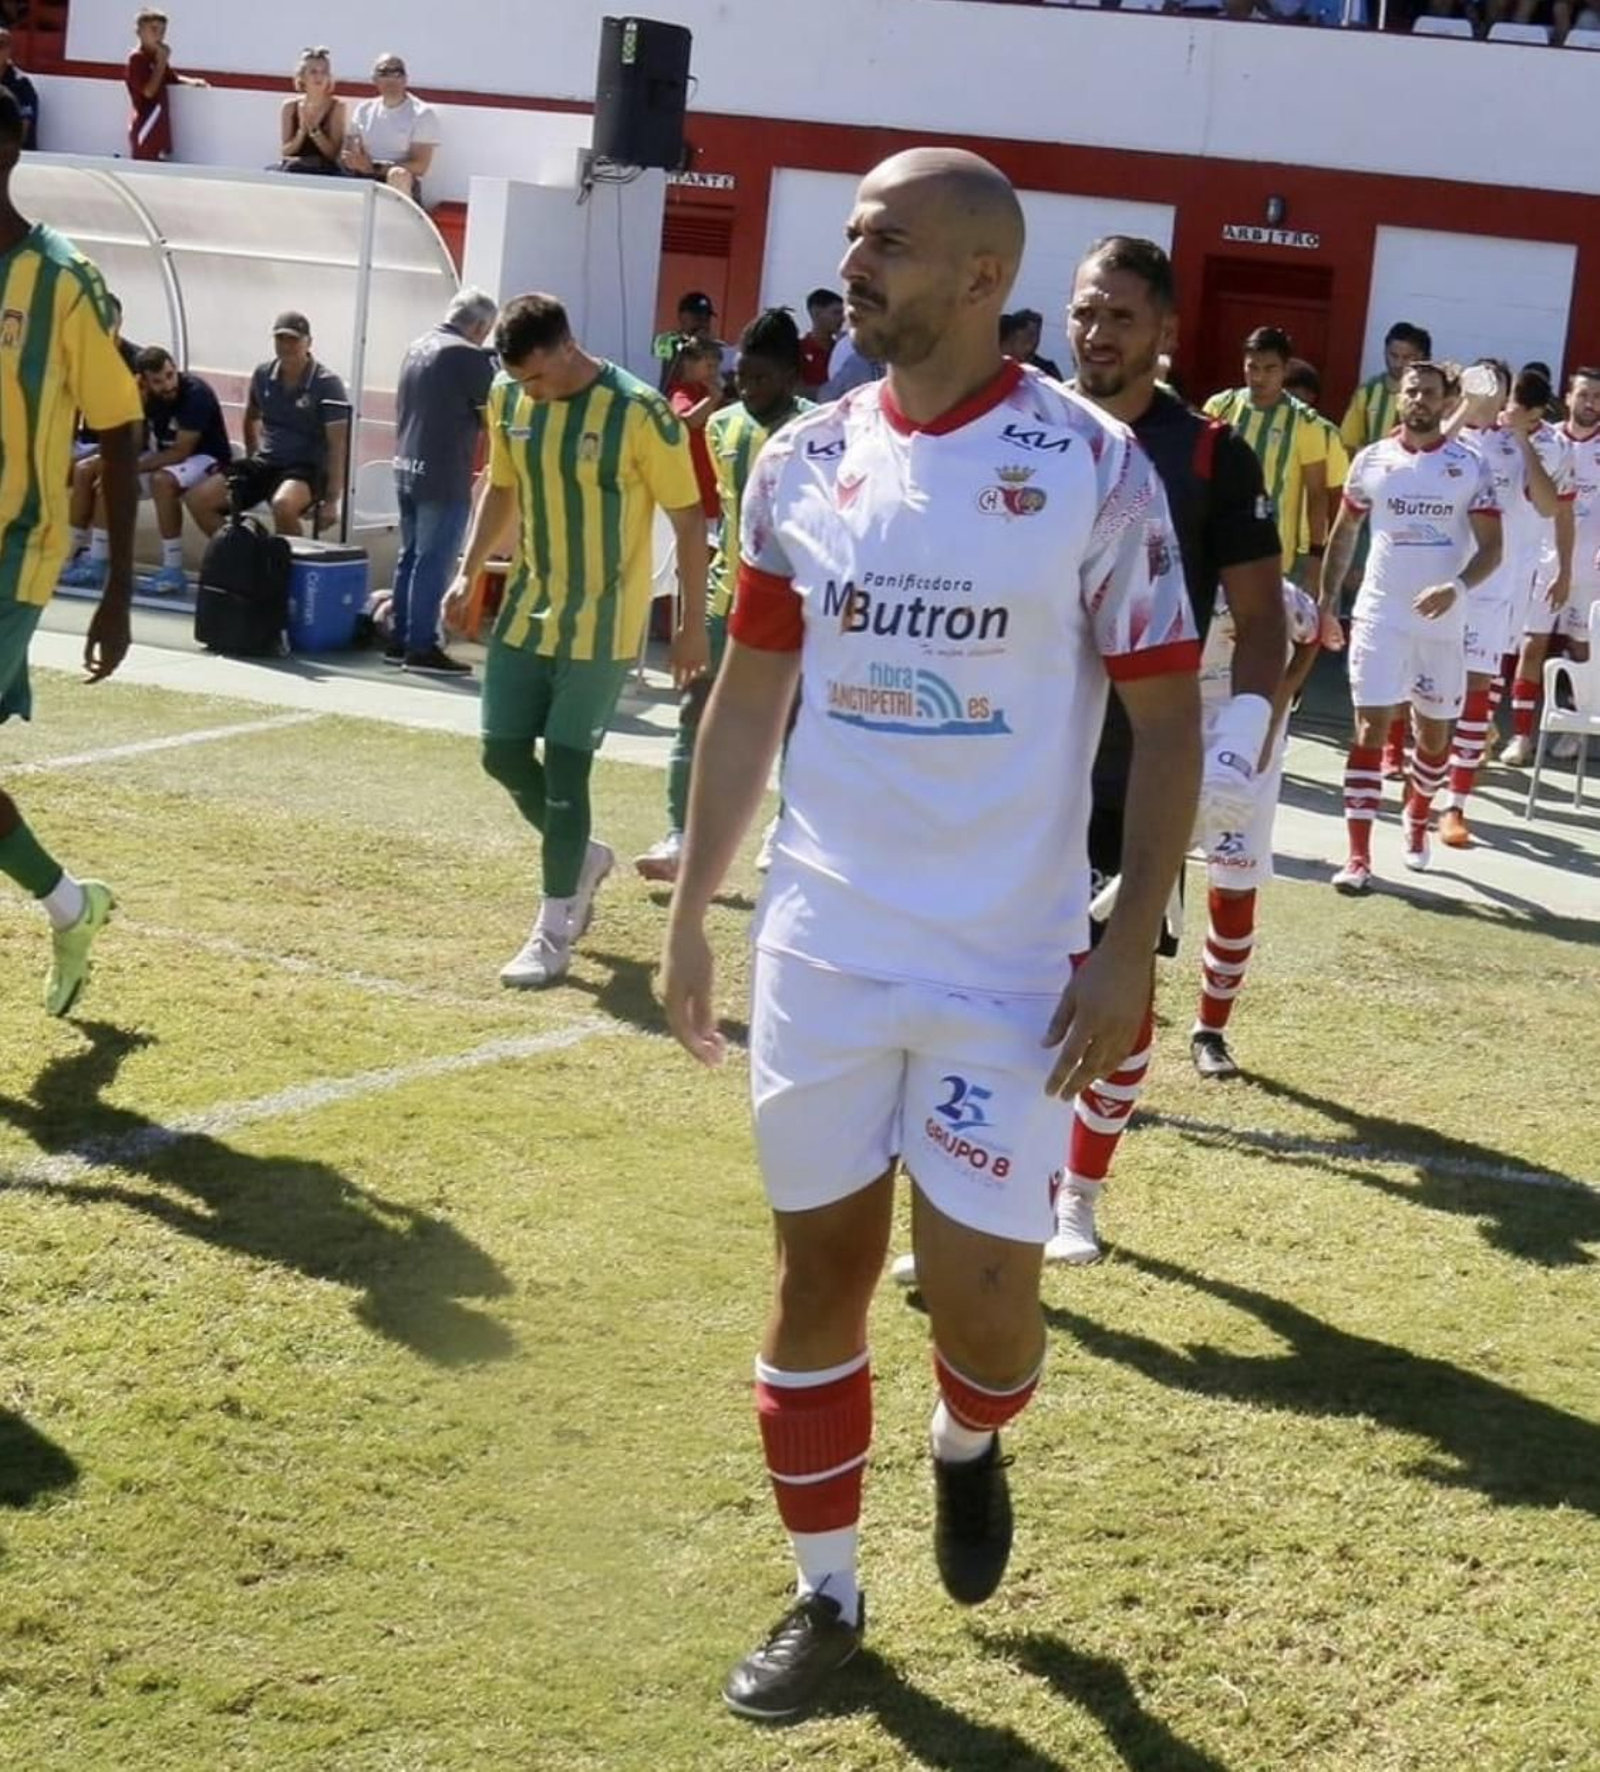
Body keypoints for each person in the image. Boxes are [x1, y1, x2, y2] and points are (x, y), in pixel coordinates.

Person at [660, 149, 1199, 1721]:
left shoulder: (1094, 468)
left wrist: (1125, 941)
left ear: (979, 277)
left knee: (986, 1311)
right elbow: (750, 691)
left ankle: (971, 1443)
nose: (854, 262)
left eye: (887, 242)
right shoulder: (797, 461)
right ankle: (827, 1597)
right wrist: (700, 901)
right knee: (815, 1274)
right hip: (824, 946)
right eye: (849, 238)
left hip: (1007, 972)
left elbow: (1167, 725)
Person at [895, 234, 1284, 1282]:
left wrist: (1240, 735)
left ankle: (1080, 1192)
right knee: (970, 989)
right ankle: (969, 1189)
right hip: (1001, 768)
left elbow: (1259, 619)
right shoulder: (1016, 426)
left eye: (1118, 314)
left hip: (1131, 773)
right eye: (1081, 311)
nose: (1095, 332)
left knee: (1108, 989)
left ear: (1162, 330)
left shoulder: (1208, 454)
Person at [442, 293, 709, 989]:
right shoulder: (508, 398)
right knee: (500, 754)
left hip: (603, 625)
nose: (529, 391)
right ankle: (583, 856)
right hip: (530, 609)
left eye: (536, 377)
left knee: (565, 772)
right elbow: (499, 487)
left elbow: (687, 521)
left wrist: (684, 630)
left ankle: (554, 927)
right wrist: (468, 572)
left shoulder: (641, 413)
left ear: (567, 348)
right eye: (518, 380)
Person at [0, 89, 144, 1013]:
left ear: (9, 144)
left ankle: (69, 906)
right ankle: (69, 905)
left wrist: (120, 588)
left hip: (15, 552)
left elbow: (123, 431)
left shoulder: (62, 279)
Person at [636, 308, 812, 884]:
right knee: (695, 714)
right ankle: (678, 836)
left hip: (798, 610)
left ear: (792, 375)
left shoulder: (822, 431)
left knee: (797, 726)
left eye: (762, 378)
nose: (748, 388)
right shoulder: (722, 427)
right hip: (723, 600)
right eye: (743, 377)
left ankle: (784, 826)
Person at [1318, 363, 1502, 894]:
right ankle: (1357, 858)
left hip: (1444, 624)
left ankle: (1417, 815)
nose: (1417, 399)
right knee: (1369, 730)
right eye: (1410, 391)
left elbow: (1493, 548)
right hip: (1380, 615)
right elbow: (1344, 533)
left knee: (1434, 741)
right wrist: (1328, 604)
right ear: (1399, 398)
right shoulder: (1373, 461)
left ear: (1447, 402)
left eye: (1428, 393)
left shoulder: (1469, 465)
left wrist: (1457, 589)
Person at [1440, 361, 1568, 840]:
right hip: (1451, 576)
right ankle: (1439, 767)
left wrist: (1520, 439)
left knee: (1479, 681)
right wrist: (1466, 405)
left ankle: (1456, 802)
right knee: (1435, 686)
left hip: (1503, 582)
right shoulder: (1469, 432)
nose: (1501, 403)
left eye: (1508, 396)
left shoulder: (1540, 444)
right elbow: (1428, 455)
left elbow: (1549, 505)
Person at [389, 287, 497, 673]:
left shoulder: (418, 345)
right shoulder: (466, 355)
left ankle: (400, 640)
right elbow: (494, 416)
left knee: (410, 558)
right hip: (443, 471)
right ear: (480, 325)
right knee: (434, 561)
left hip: (407, 464)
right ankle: (422, 646)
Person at [63, 346, 229, 595]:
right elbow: (136, 444)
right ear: (144, 381)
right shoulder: (145, 395)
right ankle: (96, 561)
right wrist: (136, 408)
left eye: (170, 375)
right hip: (163, 454)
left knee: (162, 481)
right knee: (109, 479)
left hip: (204, 457)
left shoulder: (196, 394)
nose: (166, 385)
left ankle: (173, 570)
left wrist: (130, 468)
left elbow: (181, 451)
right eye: (158, 381)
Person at [188, 313, 348, 539]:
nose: (286, 346)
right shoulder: (263, 374)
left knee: (283, 504)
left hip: (306, 468)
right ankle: (243, 557)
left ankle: (289, 569)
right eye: (280, 339)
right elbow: (251, 416)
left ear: (308, 342)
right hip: (267, 462)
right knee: (198, 500)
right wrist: (253, 454)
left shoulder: (327, 384)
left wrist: (332, 500)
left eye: (293, 340)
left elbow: (338, 445)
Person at [1206, 327, 1329, 582]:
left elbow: (1317, 494)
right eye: (1252, 367)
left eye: (1270, 369)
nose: (1259, 377)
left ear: (1285, 369)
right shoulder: (1220, 407)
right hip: (1218, 551)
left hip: (1277, 560)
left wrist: (1316, 557)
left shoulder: (1305, 422)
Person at [1499, 366, 1575, 768]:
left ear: (1534, 413)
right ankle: (1478, 731)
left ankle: (1520, 735)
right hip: (1491, 557)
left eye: (1516, 406)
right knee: (1486, 649)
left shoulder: (1553, 445)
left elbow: (1559, 512)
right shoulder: (1486, 427)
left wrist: (1563, 570)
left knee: (1530, 646)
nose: (1505, 410)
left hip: (1538, 560)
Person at [1545, 367, 1600, 759]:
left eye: (1597, 398)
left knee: (1582, 646)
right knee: (1530, 647)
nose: (1590, 404)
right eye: (1583, 395)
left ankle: (1579, 725)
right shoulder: (1544, 439)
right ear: (1568, 397)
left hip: (1588, 566)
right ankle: (1518, 733)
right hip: (1539, 562)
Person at [342, 53, 439, 203]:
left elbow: (420, 166)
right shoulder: (363, 110)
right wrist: (354, 159)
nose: (391, 78)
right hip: (363, 177)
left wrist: (375, 168)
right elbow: (349, 152)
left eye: (397, 72)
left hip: (399, 182)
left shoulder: (422, 114)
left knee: (398, 174)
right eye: (384, 72)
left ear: (405, 79)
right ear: (374, 79)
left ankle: (400, 225)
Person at [124, 7, 206, 163]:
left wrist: (192, 82)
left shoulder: (156, 57)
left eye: (162, 30)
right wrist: (162, 61)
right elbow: (148, 92)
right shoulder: (137, 58)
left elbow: (171, 78)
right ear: (139, 32)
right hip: (145, 125)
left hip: (159, 124)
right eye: (153, 29)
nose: (159, 35)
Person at [1340, 321, 1432, 457]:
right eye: (1393, 355)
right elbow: (1348, 442)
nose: (1398, 363)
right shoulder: (1367, 392)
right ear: (1385, 351)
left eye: (1407, 357)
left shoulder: (1433, 396)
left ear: (1422, 357)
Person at [665, 336, 724, 522]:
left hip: (712, 488)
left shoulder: (705, 392)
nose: (713, 373)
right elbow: (688, 420)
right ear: (689, 364)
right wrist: (712, 399)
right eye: (709, 366)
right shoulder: (682, 392)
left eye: (716, 367)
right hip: (693, 488)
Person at [276, 45, 346, 176]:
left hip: (325, 170)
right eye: (313, 72)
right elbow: (286, 151)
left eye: (324, 72)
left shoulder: (337, 107)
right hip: (294, 169)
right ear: (302, 76)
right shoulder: (289, 106)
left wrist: (314, 129)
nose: (319, 77)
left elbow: (333, 154)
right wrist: (302, 131)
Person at [798, 287, 844, 391]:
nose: (842, 318)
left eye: (843, 313)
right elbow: (797, 391)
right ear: (816, 313)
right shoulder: (797, 349)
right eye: (836, 312)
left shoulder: (842, 350)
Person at [0, 26, 38, 150]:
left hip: (18, 156)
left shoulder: (21, 84)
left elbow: (23, 130)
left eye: (0, 46)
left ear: (9, 50)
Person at [1000, 307, 1062, 379]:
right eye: (1030, 335)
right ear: (1014, 334)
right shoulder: (996, 364)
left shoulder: (1046, 369)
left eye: (1037, 335)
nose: (1034, 341)